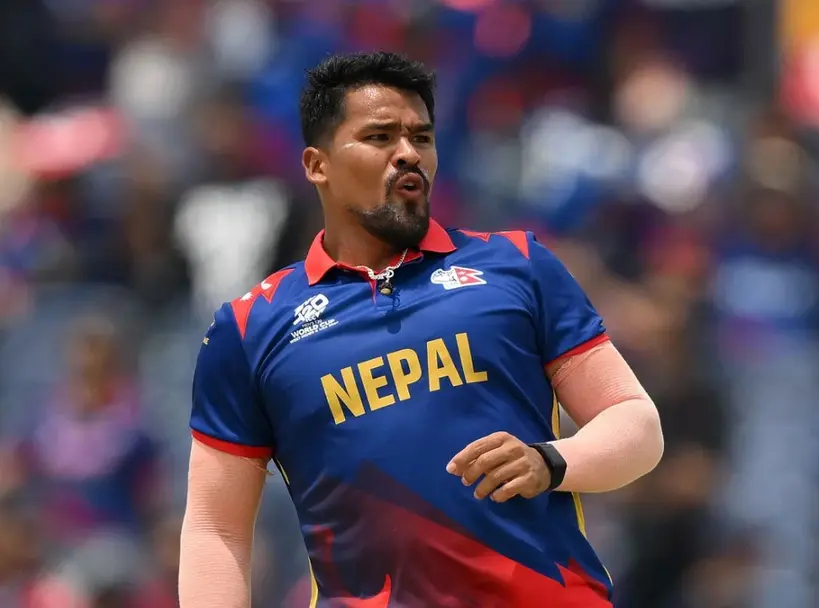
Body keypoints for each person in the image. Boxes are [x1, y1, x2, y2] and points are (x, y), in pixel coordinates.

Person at [178, 51, 664, 607]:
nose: (408, 153)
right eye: (380, 137)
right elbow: (215, 530)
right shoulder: (249, 328)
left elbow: (636, 425)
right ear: (317, 165)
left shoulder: (517, 265)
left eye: (421, 137)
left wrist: (550, 461)